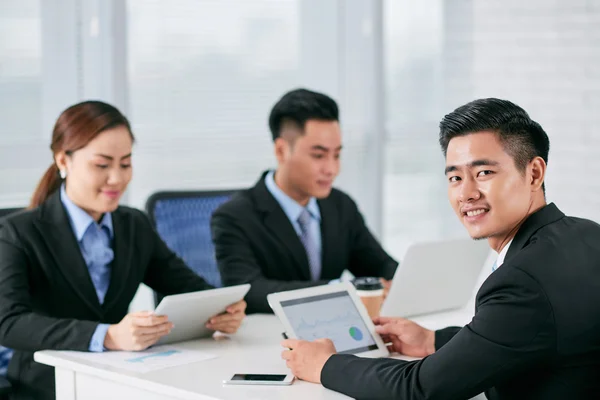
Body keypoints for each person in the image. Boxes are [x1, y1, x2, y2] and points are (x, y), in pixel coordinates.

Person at [280, 98, 600, 399]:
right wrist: (433, 340)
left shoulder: (521, 281)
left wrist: (323, 365)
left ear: (534, 173)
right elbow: (525, 333)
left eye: (484, 173)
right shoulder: (587, 235)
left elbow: (420, 389)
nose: (466, 193)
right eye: (455, 177)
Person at [0, 101, 246, 400]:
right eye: (102, 165)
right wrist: (107, 336)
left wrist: (222, 310)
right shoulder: (17, 232)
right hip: (48, 385)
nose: (117, 178)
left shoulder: (133, 224)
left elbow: (187, 288)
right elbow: (8, 322)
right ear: (63, 160)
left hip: (121, 378)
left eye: (125, 163)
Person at [211, 88, 398, 313]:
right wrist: (337, 291)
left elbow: (382, 267)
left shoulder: (340, 205)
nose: (332, 169)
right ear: (281, 151)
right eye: (318, 156)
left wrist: (398, 283)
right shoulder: (234, 217)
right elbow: (248, 290)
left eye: (336, 155)